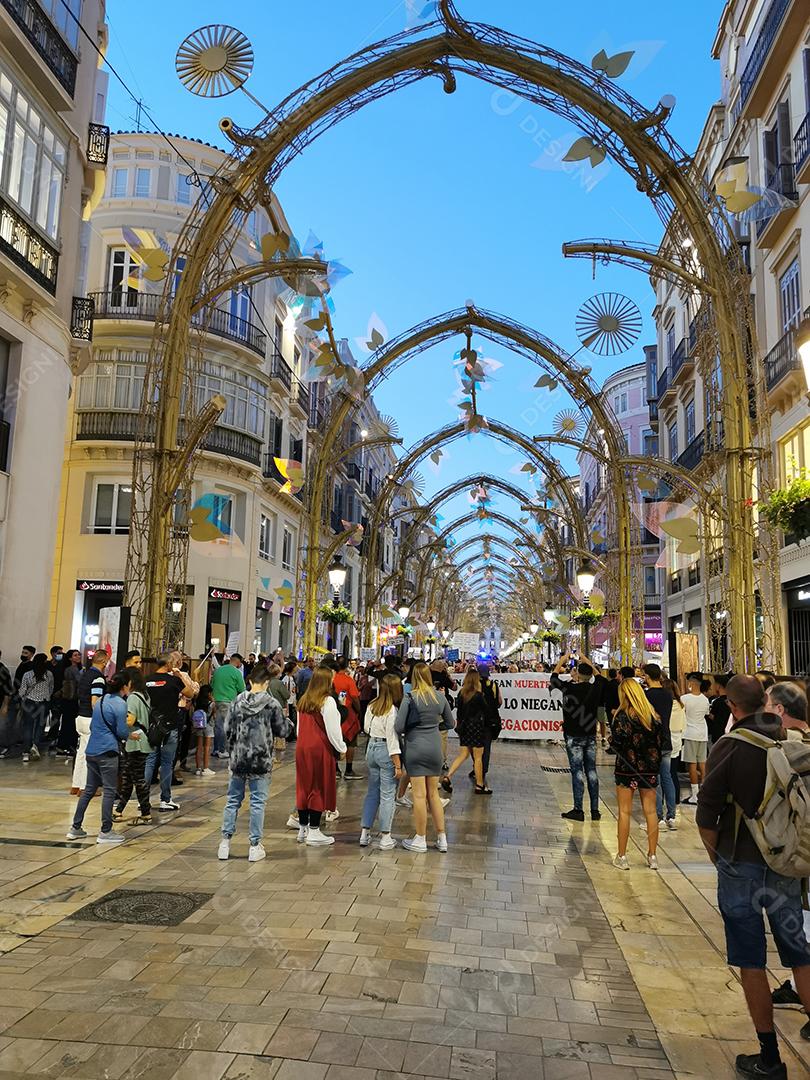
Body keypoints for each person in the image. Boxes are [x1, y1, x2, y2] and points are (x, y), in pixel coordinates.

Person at [697, 675, 810, 1078]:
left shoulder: (730, 746)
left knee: (751, 960)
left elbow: (706, 813)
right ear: (766, 701)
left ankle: (770, 1057)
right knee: (798, 949)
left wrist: (717, 858)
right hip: (784, 862)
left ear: (731, 707)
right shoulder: (788, 738)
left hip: (740, 863)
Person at [218, 663, 289, 862]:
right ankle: (254, 846)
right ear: (267, 682)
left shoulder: (237, 701)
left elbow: (228, 729)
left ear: (249, 681)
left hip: (238, 759)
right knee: (258, 802)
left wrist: (233, 751)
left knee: (232, 801)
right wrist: (288, 722)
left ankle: (224, 843)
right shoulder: (271, 703)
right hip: (261, 760)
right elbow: (282, 731)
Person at [67, 671, 137, 844]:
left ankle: (75, 828)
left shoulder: (101, 701)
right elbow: (121, 731)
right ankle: (106, 831)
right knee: (109, 790)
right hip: (107, 752)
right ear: (124, 687)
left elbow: (95, 724)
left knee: (89, 790)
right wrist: (131, 735)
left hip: (92, 751)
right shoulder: (121, 704)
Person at [395, 661, 454, 853]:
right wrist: (436, 728)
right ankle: (442, 837)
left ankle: (420, 839)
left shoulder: (410, 697)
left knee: (419, 795)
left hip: (415, 747)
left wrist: (412, 730)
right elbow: (450, 722)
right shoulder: (439, 697)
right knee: (433, 795)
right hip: (435, 748)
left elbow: (399, 726)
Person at [611, 678, 664, 870]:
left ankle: (622, 856)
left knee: (624, 811)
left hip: (627, 769)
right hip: (649, 768)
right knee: (650, 811)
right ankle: (652, 856)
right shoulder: (653, 717)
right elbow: (660, 742)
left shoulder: (622, 716)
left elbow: (616, 742)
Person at [295, 666, 346, 846]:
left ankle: (303, 828)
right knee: (317, 786)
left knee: (303, 785)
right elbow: (333, 730)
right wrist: (342, 747)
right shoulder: (327, 701)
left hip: (302, 746)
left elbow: (299, 727)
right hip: (319, 747)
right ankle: (314, 830)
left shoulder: (303, 699)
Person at [550, 653, 603, 822]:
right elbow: (599, 676)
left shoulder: (569, 688)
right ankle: (595, 810)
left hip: (573, 735)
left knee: (577, 771)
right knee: (592, 771)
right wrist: (585, 659)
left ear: (578, 674)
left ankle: (578, 809)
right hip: (590, 735)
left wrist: (563, 659)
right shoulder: (595, 688)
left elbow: (553, 677)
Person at [144, 654, 196, 811]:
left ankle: (143, 799)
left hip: (152, 725)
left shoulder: (147, 680)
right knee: (167, 763)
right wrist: (179, 675)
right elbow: (190, 693)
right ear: (168, 664)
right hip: (170, 725)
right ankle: (165, 799)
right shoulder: (174, 680)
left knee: (150, 761)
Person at [359, 674, 402, 850]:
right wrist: (398, 765)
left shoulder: (371, 706)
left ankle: (364, 832)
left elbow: (365, 727)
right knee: (387, 794)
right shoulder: (392, 710)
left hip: (371, 748)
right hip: (386, 751)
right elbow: (392, 740)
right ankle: (386, 836)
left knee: (372, 792)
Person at [113, 667, 152, 825]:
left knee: (137, 778)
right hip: (141, 741)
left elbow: (129, 720)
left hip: (136, 741)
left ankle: (146, 814)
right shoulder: (145, 695)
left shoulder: (133, 698)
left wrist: (116, 721)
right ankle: (119, 811)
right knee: (128, 777)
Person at [442, 668, 490, 794]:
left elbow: (459, 712)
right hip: (476, 728)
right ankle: (480, 785)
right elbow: (486, 710)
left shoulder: (461, 694)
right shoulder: (479, 696)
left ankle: (448, 776)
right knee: (478, 757)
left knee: (463, 754)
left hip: (464, 727)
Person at [643, 664, 676, 829]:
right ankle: (672, 815)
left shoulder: (646, 696)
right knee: (667, 777)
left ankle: (658, 817)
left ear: (648, 676)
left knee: (654, 779)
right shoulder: (668, 695)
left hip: (652, 741)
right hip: (667, 739)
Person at [71, 650, 108, 794]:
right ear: (104, 661)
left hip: (80, 717)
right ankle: (86, 788)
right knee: (90, 755)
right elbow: (95, 701)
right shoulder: (98, 678)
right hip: (90, 718)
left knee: (81, 753)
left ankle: (76, 785)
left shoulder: (84, 674)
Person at [18, 653, 53, 762]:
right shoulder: (49, 675)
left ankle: (26, 752)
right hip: (43, 703)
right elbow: (51, 688)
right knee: (40, 726)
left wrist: (23, 697)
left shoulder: (27, 674)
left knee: (28, 726)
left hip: (29, 702)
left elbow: (22, 690)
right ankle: (35, 746)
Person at [681, 672, 710, 805]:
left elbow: (682, 714)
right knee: (702, 763)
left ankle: (694, 794)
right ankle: (704, 791)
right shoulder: (705, 699)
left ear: (691, 683)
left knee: (692, 765)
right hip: (702, 733)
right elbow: (706, 714)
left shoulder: (685, 699)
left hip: (690, 733)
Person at [211, 654, 246, 758]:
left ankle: (216, 749)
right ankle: (222, 750)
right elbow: (241, 689)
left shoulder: (218, 670)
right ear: (238, 662)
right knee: (225, 727)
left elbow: (212, 684)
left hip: (216, 700)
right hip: (228, 701)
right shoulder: (237, 672)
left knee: (217, 726)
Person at [333, 656, 361, 779]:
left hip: (333, 713)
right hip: (348, 714)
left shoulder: (332, 679)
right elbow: (355, 697)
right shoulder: (349, 680)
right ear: (347, 665)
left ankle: (335, 769)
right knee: (350, 742)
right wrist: (359, 709)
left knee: (333, 739)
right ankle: (349, 770)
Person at [662, 675, 685, 811]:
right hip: (677, 739)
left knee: (664, 774)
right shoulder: (681, 705)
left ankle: (665, 801)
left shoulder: (666, 705)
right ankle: (675, 799)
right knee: (673, 772)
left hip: (667, 739)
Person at [57, 649, 82, 755]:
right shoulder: (73, 669)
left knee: (67, 722)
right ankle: (69, 745)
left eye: (79, 655)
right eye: (75, 655)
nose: (78, 657)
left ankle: (63, 745)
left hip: (68, 699)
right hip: (72, 699)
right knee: (70, 723)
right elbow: (79, 681)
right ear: (70, 658)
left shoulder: (69, 669)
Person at [266, 663, 290, 764]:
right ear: (277, 672)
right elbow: (287, 695)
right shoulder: (279, 683)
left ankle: (268, 755)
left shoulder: (265, 683)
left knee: (268, 732)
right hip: (279, 710)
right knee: (279, 734)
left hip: (267, 709)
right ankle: (277, 757)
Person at [192, 684, 215, 776]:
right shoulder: (211, 703)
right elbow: (214, 714)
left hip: (199, 725)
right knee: (207, 748)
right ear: (209, 693)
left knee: (199, 747)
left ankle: (198, 768)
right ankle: (205, 768)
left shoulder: (197, 702)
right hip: (208, 726)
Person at [707, 674, 732, 747]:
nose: (712, 687)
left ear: (718, 686)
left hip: (718, 734)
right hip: (729, 733)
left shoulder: (717, 702)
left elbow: (713, 716)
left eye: (714, 684)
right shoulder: (731, 700)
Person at [281, 659, 298, 739]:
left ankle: (292, 734)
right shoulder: (286, 679)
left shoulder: (291, 678)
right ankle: (289, 736)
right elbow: (286, 691)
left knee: (292, 719)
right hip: (288, 702)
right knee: (289, 719)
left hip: (292, 701)